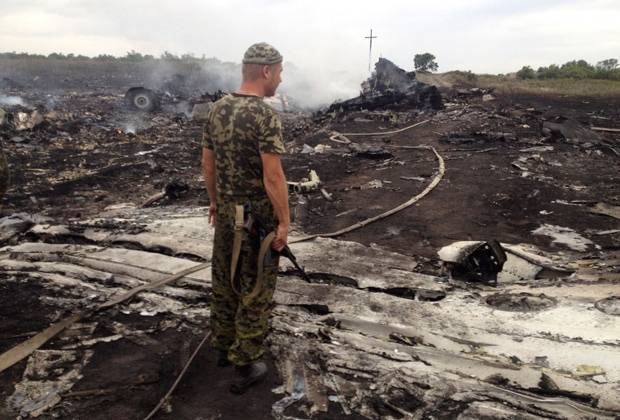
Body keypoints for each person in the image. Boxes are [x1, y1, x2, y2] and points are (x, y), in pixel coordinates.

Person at [201, 42, 289, 394]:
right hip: (257, 219)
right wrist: (283, 222)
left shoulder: (216, 109)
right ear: (266, 71)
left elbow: (208, 164)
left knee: (224, 278)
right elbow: (272, 177)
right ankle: (247, 359)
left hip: (225, 211)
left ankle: (223, 346)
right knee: (255, 287)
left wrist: (214, 202)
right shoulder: (266, 115)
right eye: (280, 72)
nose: (281, 80)